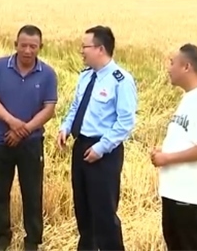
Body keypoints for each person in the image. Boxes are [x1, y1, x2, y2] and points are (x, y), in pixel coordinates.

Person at [57, 25, 137, 251]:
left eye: (85, 47)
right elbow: (76, 107)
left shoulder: (121, 80)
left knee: (104, 214)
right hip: (80, 146)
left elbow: (125, 121)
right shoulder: (85, 77)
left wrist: (101, 148)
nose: (81, 51)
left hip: (104, 153)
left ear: (100, 49)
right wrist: (66, 127)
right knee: (83, 211)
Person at [0, 25, 58, 251]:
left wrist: (24, 129)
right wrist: (12, 122)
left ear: (40, 47)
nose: (27, 50)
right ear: (15, 45)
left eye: (33, 46)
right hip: (0, 140)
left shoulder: (48, 74)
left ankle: (32, 240)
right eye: (23, 45)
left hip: (32, 143)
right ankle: (1, 236)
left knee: (32, 193)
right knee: (0, 192)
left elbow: (49, 108)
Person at [151, 44, 197, 251]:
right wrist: (164, 152)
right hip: (175, 193)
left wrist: (167, 159)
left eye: (172, 63)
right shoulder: (189, 97)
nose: (168, 68)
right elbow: (188, 139)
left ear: (187, 67)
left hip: (190, 196)